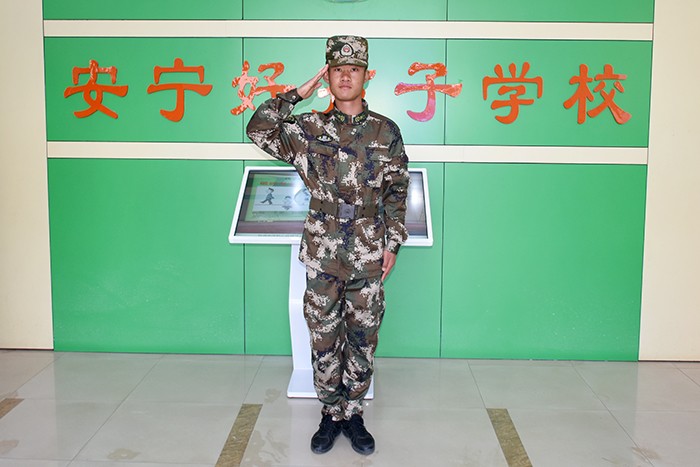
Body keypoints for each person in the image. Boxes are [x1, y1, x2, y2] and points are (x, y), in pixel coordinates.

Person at [246, 35, 410, 455]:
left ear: (366, 76)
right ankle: (330, 412)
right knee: (322, 336)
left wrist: (393, 243)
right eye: (338, 69)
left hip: (368, 253)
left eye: (353, 69)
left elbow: (397, 192)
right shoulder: (308, 129)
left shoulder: (386, 131)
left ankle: (353, 413)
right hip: (323, 252)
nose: (346, 76)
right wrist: (295, 95)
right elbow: (257, 129)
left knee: (363, 336)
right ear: (328, 76)